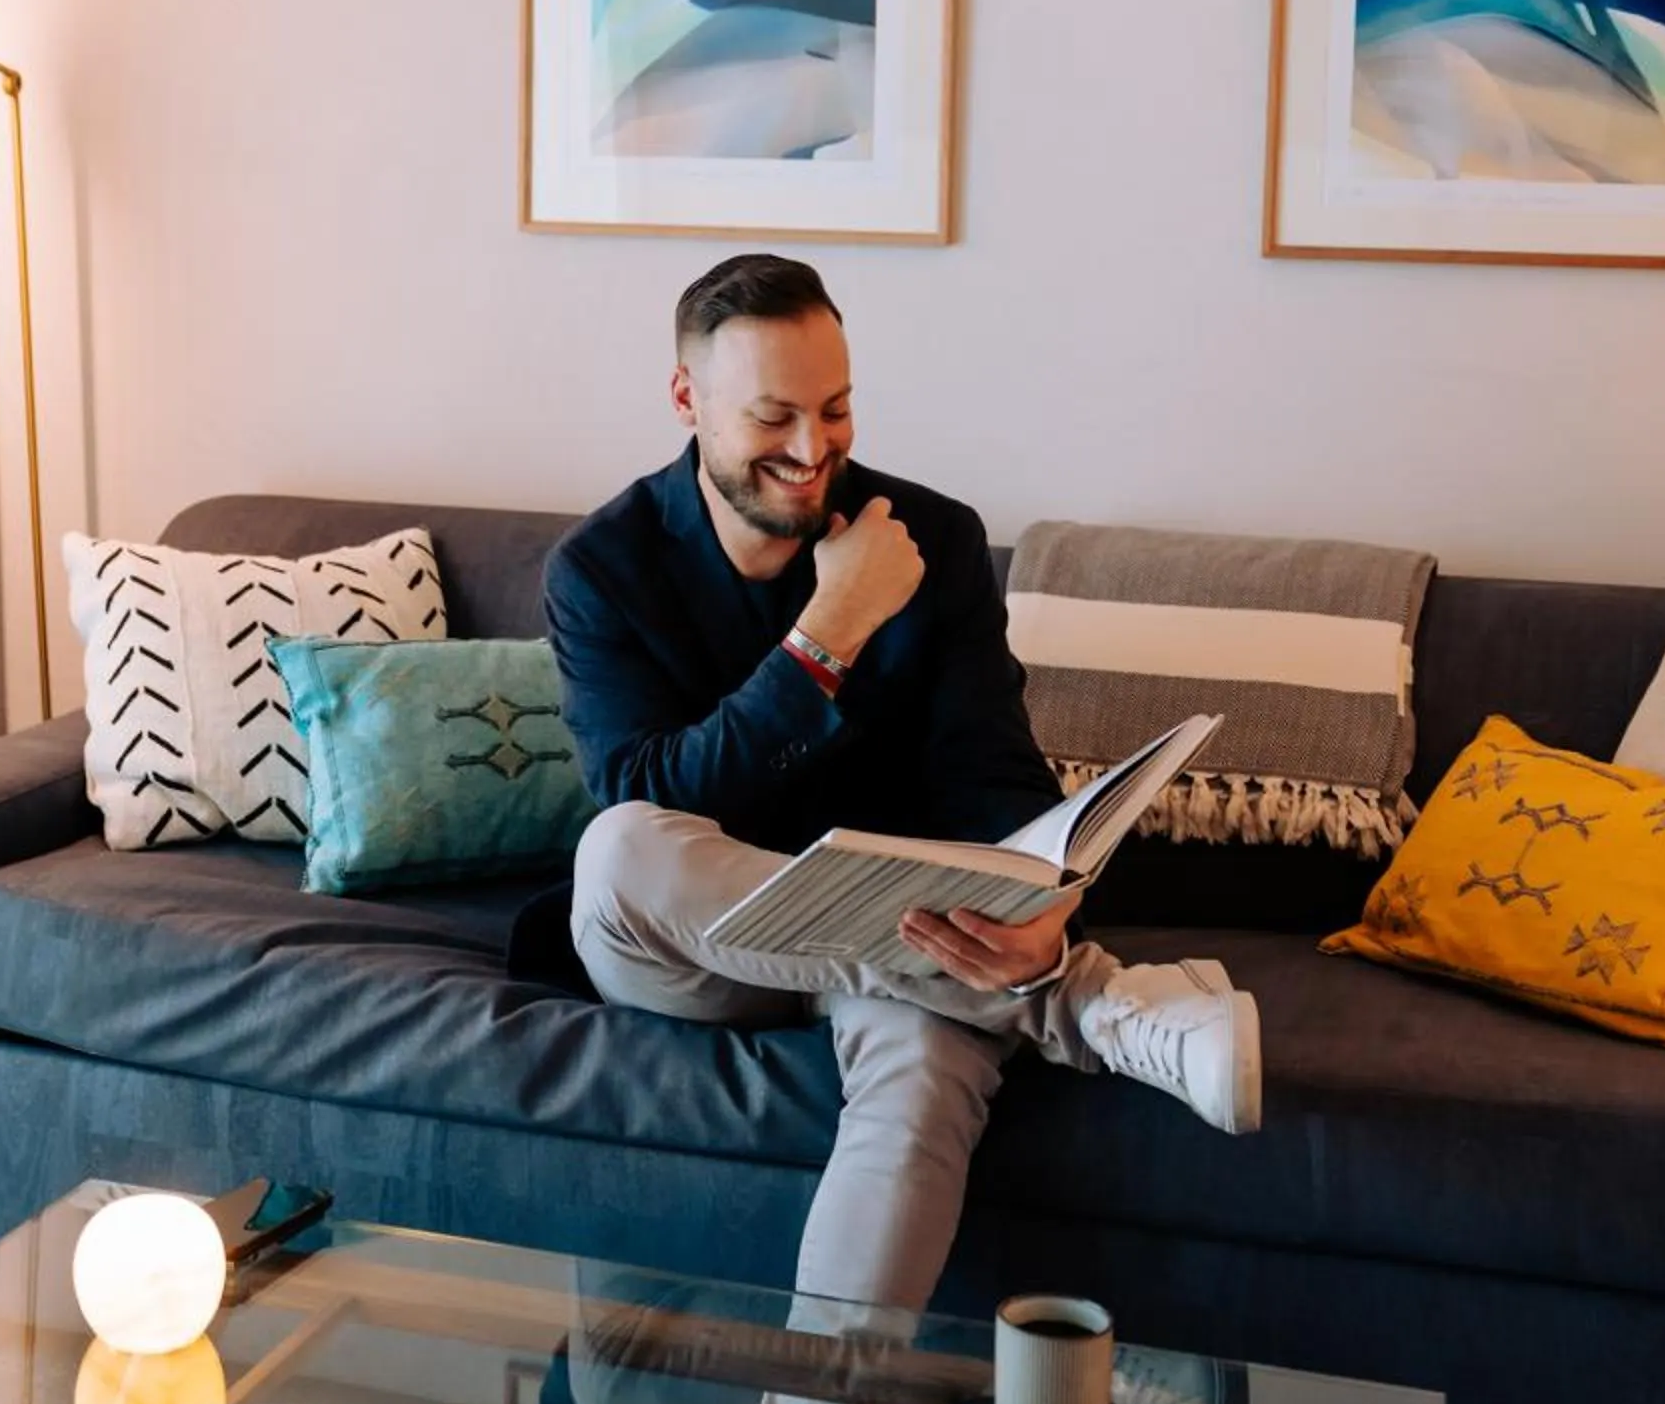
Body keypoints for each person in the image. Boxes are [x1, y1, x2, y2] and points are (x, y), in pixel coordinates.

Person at [540, 253, 1264, 1336]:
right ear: (688, 399)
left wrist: (1041, 905)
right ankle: (1096, 1006)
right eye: (773, 415)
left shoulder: (934, 538)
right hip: (687, 948)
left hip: (909, 943)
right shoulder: (600, 568)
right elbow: (651, 787)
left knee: (925, 1070)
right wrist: (825, 635)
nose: (810, 447)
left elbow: (993, 773)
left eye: (834, 410)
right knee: (617, 845)